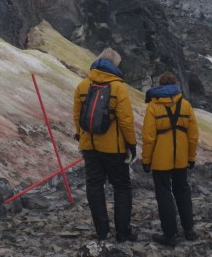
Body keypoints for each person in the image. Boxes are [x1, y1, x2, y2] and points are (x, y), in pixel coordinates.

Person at [73, 48, 138, 242]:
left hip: (90, 146)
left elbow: (77, 116)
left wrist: (81, 136)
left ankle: (102, 231)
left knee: (94, 186)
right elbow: (125, 120)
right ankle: (122, 232)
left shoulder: (83, 85)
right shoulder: (119, 88)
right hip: (114, 149)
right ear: (115, 65)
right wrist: (131, 144)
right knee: (122, 187)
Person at [141, 72, 199, 247]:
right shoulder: (185, 105)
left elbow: (149, 137)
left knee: (164, 194)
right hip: (181, 158)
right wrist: (191, 157)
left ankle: (169, 234)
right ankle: (189, 230)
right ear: (175, 85)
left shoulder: (153, 106)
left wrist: (146, 160)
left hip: (160, 160)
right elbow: (193, 135)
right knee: (182, 190)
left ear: (159, 85)